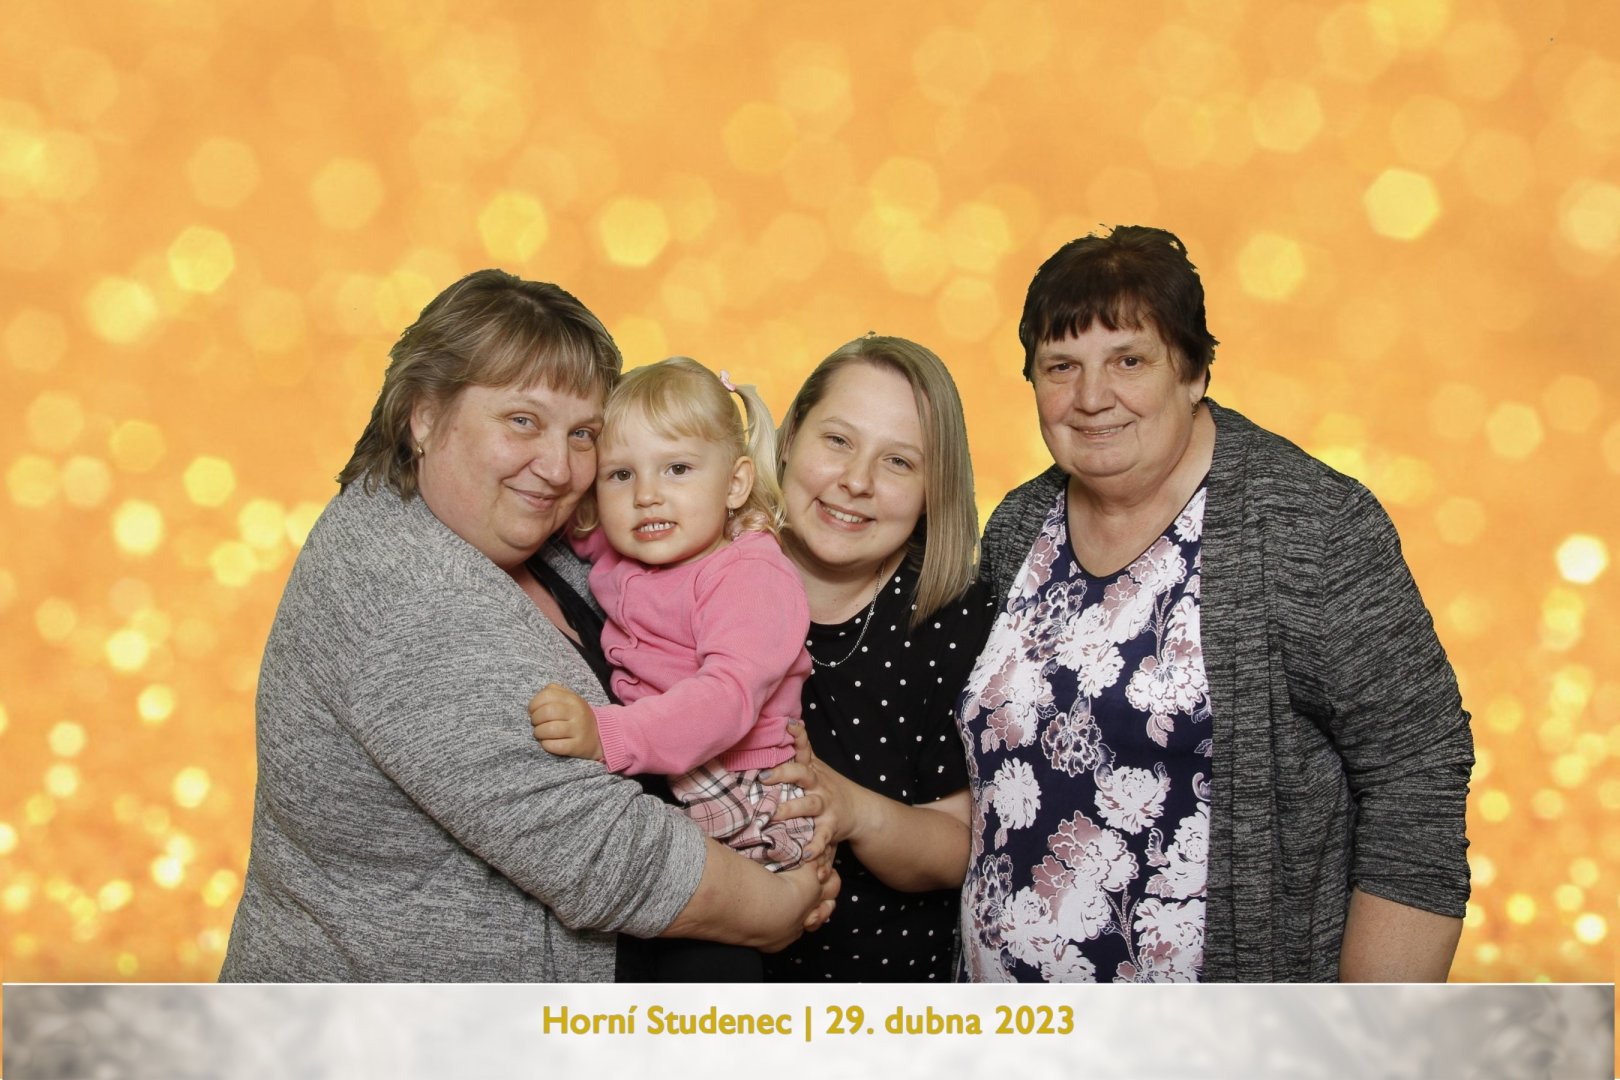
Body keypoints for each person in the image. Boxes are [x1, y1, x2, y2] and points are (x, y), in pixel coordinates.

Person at [219, 270, 833, 982]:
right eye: (522, 421)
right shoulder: (405, 592)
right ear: (424, 416)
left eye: (583, 434)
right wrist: (781, 904)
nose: (559, 467)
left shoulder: (520, 531)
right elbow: (601, 852)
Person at [960, 226, 1472, 983]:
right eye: (1061, 366)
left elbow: (1417, 773)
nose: (1091, 397)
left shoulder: (1309, 525)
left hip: (1226, 1030)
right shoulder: (1018, 525)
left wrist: (1372, 1029)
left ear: (1194, 372)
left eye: (1129, 360)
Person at [762, 336, 998, 982]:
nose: (856, 481)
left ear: (932, 490)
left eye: (898, 461)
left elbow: (957, 845)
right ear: (791, 437)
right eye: (837, 440)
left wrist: (851, 808)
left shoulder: (956, 619)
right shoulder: (710, 568)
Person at [528, 358, 813, 870]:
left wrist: (608, 735)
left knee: (716, 904)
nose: (646, 496)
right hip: (669, 767)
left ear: (734, 483)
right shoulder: (625, 545)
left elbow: (726, 697)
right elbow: (560, 521)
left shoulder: (750, 575)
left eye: (677, 469)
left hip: (746, 785)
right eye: (621, 474)